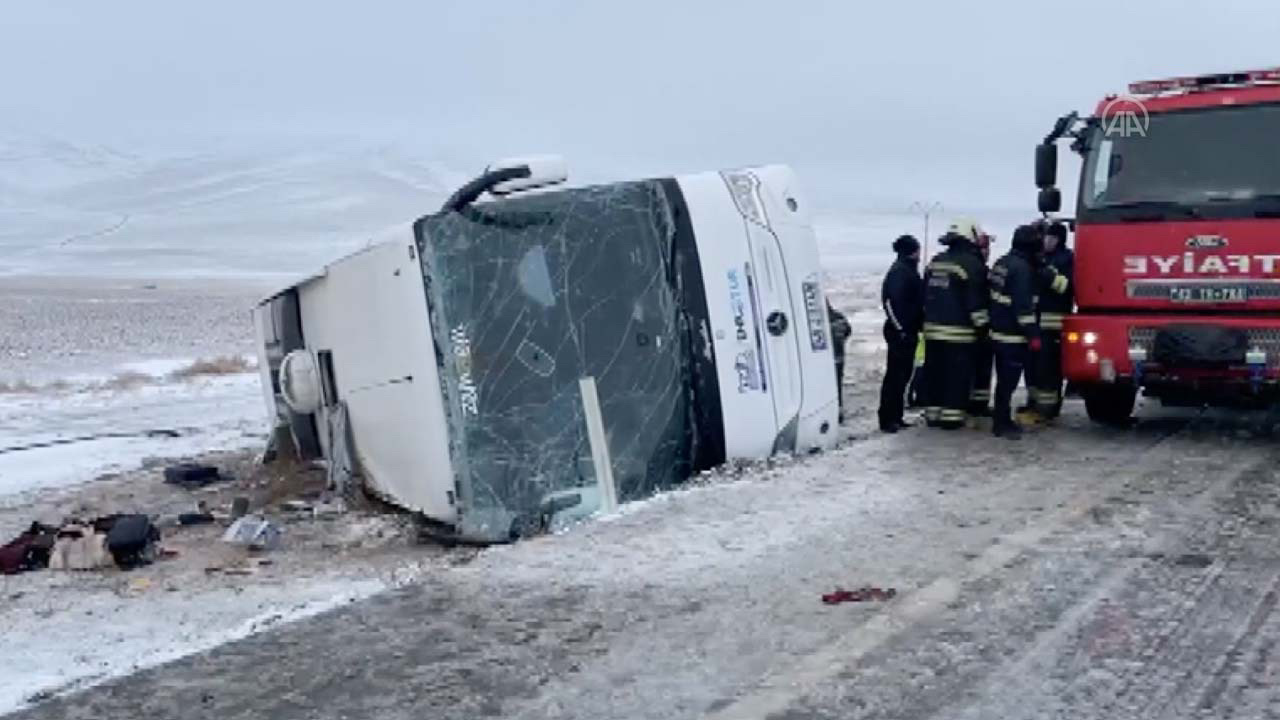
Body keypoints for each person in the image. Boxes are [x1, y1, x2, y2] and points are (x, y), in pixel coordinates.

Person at [922, 219, 989, 430]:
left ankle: (932, 414)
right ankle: (951, 418)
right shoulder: (972, 265)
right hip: (960, 334)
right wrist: (983, 330)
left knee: (934, 374)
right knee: (956, 376)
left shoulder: (935, 261)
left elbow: (925, 295)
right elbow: (976, 303)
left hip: (932, 332)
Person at [988, 224, 1044, 439]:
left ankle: (1000, 420)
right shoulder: (1022, 270)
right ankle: (1001, 424)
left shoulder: (1002, 263)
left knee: (1003, 380)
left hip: (998, 331)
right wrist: (1034, 335)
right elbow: (1023, 308)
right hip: (1013, 336)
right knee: (1008, 383)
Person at [878, 234, 924, 433]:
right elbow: (891, 303)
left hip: (908, 330)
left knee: (903, 376)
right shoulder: (900, 272)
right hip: (900, 332)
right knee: (895, 376)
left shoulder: (908, 271)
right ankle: (888, 418)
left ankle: (896, 416)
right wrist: (901, 329)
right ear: (912, 251)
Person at [1030, 221, 1073, 420]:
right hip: (1037, 322)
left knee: (1050, 369)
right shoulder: (1040, 258)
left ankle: (1049, 409)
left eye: (1051, 237)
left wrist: (1046, 273)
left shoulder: (1066, 259)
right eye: (1045, 237)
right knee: (1035, 367)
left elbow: (1066, 287)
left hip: (1055, 324)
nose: (1047, 241)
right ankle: (1034, 403)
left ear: (1059, 239)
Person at [969, 231, 996, 421]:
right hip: (977, 329)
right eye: (984, 248)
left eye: (988, 248)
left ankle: (980, 404)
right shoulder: (976, 270)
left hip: (982, 328)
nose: (987, 252)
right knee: (975, 369)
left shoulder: (982, 269)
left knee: (982, 370)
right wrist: (983, 327)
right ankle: (974, 405)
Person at [828, 300, 853, 422]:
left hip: (826, 361)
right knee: (837, 385)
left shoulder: (820, 321)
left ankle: (833, 412)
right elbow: (848, 331)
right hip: (839, 357)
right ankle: (839, 411)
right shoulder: (839, 317)